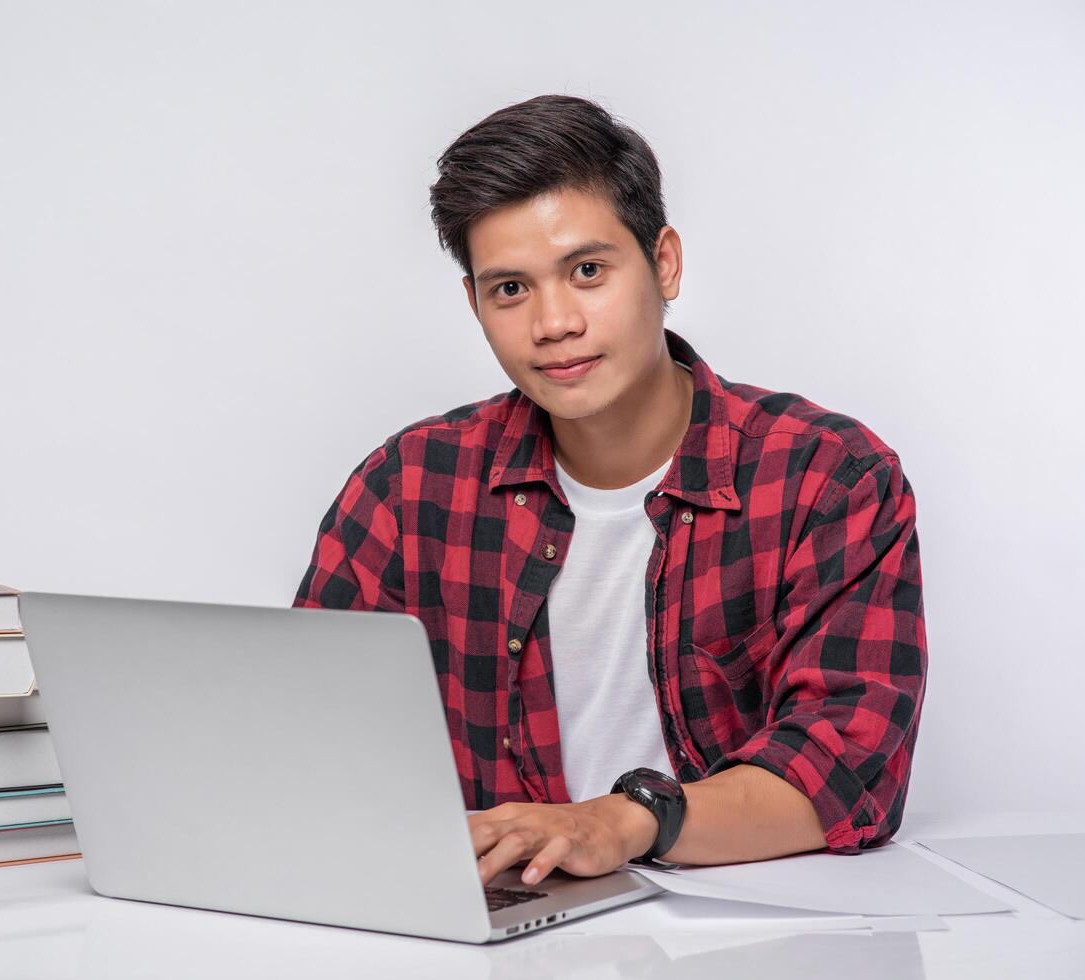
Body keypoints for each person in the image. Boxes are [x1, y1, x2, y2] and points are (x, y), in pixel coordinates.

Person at [292, 94, 927, 889]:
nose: (553, 323)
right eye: (510, 289)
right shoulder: (407, 487)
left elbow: (848, 769)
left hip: (747, 928)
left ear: (663, 263)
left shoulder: (826, 478)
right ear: (474, 304)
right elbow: (308, 743)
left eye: (587, 271)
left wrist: (619, 822)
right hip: (493, 926)